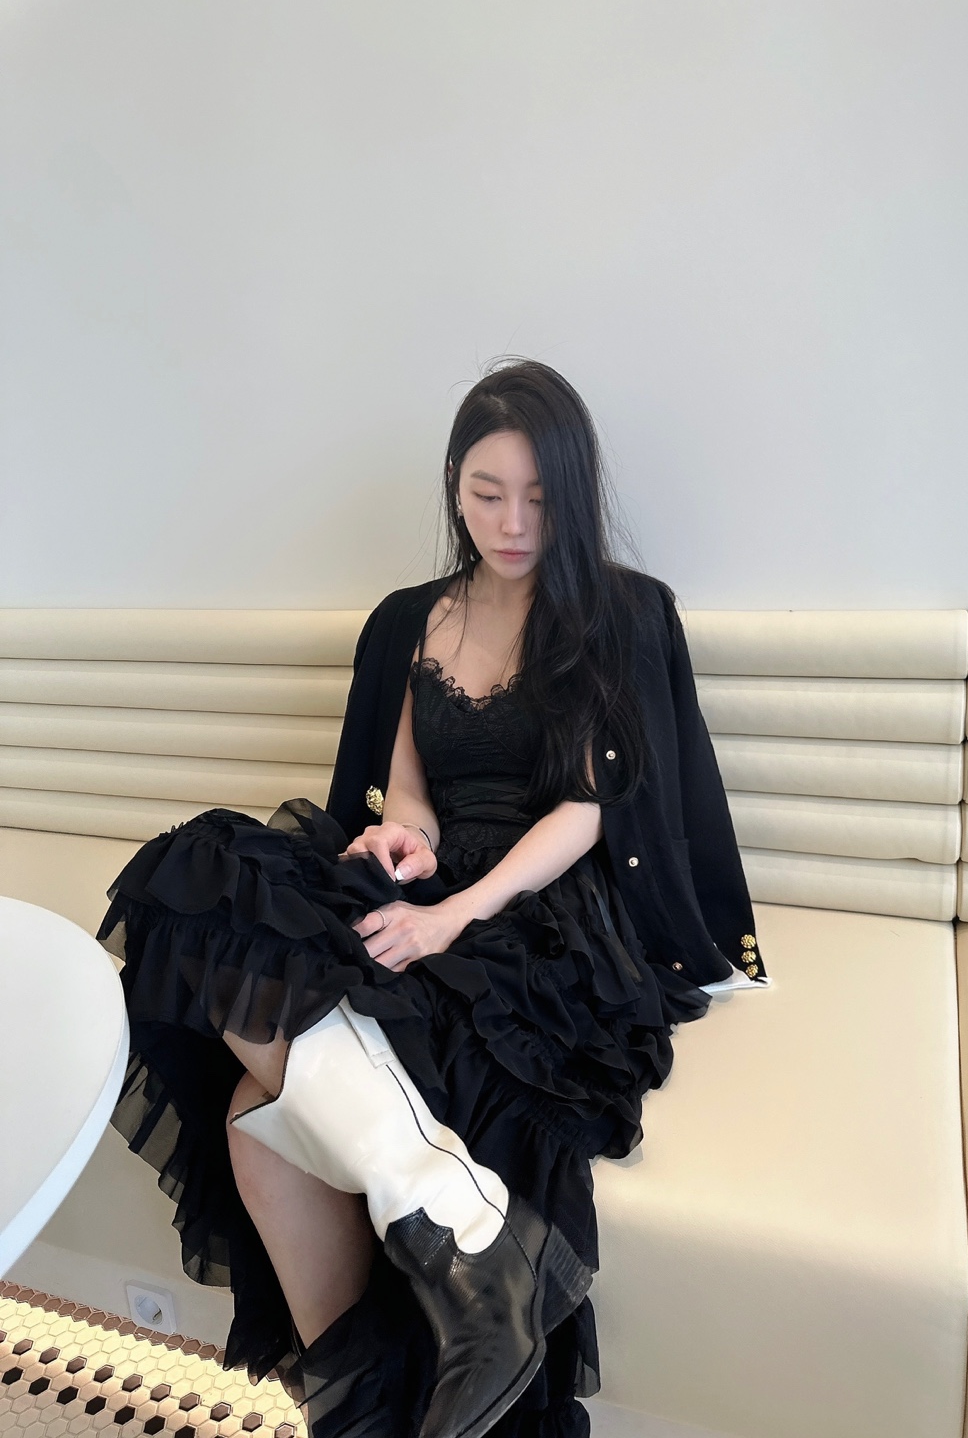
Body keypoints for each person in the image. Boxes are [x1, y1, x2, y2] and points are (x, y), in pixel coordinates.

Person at [99, 359, 767, 1438]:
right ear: (455, 487)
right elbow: (407, 783)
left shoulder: (615, 612)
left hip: (542, 911)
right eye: (487, 493)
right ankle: (451, 1257)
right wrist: (404, 839)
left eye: (539, 497)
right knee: (200, 877)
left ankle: (449, 1266)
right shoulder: (415, 619)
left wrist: (457, 912)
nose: (513, 523)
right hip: (438, 878)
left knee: (257, 1119)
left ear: (573, 492)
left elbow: (589, 811)